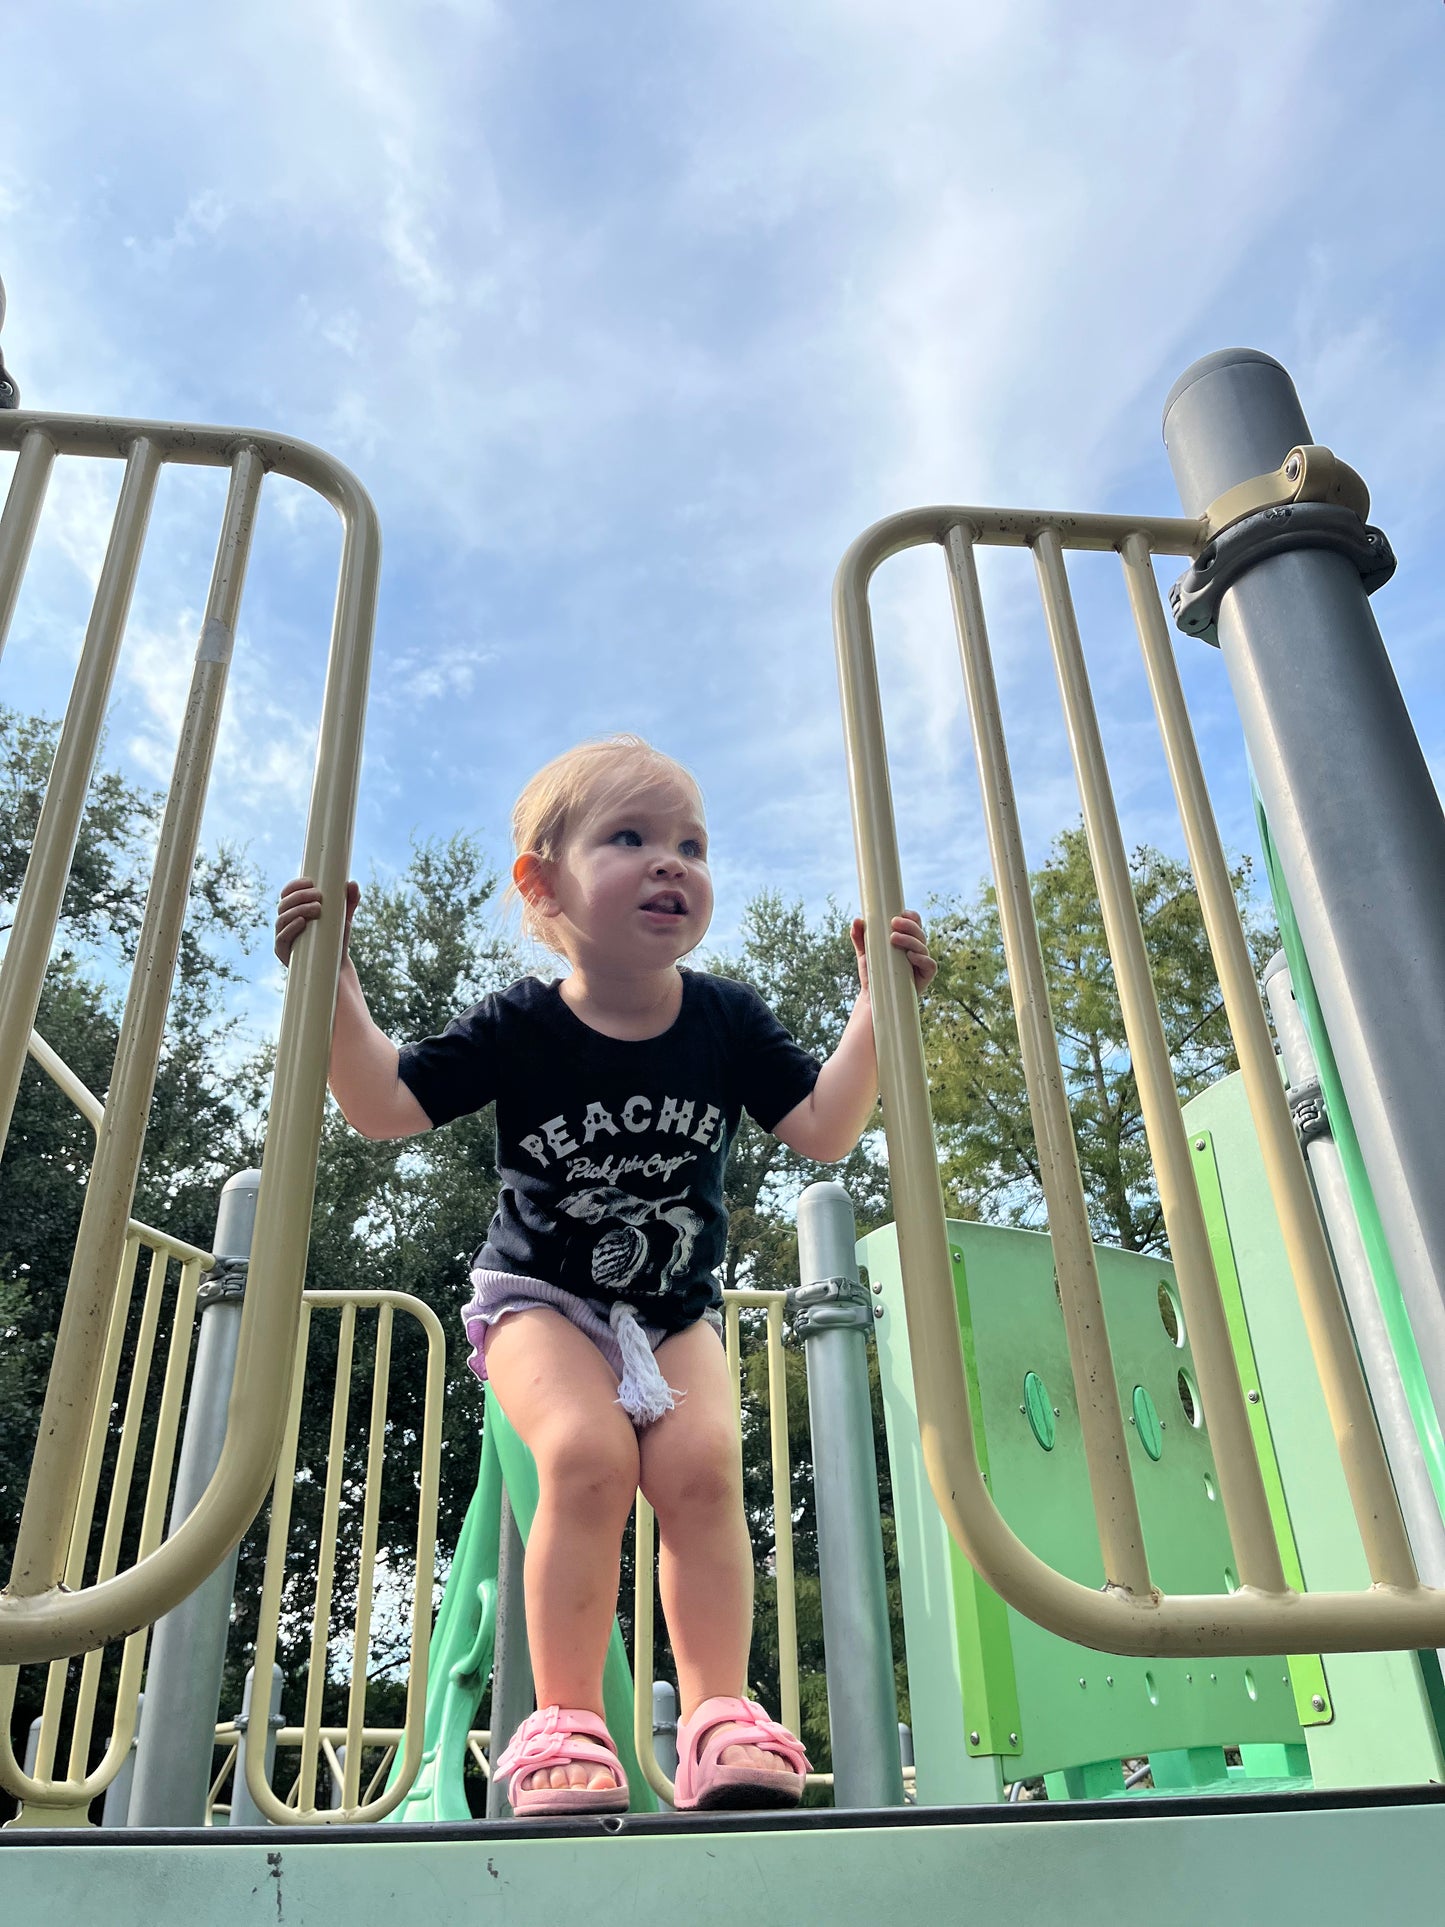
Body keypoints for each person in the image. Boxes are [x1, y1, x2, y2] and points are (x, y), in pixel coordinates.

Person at [274, 734, 935, 1815]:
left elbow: (821, 1126)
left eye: (691, 843)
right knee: (585, 1458)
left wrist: (875, 1006)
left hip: (670, 1307)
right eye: (629, 837)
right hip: (540, 1299)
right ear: (542, 884)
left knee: (705, 1474)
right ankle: (563, 1724)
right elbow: (381, 1103)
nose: (670, 862)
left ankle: (719, 1716)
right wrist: (334, 979)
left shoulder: (725, 1019)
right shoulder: (521, 1023)